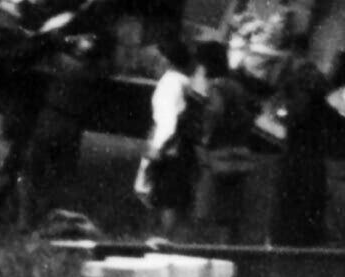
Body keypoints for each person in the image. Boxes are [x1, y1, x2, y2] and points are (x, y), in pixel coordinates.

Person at [18, 31, 112, 229]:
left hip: (51, 119)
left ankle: (26, 221)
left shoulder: (64, 63)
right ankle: (51, 218)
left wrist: (67, 39)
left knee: (33, 171)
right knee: (60, 175)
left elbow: (47, 44)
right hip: (73, 126)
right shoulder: (96, 72)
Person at [192, 39, 259, 244]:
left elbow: (216, 113)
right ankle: (229, 250)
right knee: (231, 210)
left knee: (209, 207)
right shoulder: (236, 86)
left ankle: (207, 250)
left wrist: (205, 138)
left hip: (218, 153)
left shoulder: (216, 86)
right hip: (238, 151)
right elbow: (251, 112)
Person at [270, 28, 332, 247]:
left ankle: (289, 243)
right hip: (316, 150)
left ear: (292, 51)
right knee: (310, 203)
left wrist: (279, 114)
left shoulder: (299, 78)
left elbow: (296, 112)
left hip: (297, 150)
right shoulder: (320, 77)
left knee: (292, 200)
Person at [138, 38, 196, 237]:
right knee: (170, 195)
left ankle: (160, 238)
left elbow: (167, 121)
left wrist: (156, 146)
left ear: (166, 59)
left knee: (163, 196)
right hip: (180, 146)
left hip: (168, 147)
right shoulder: (182, 80)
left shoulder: (169, 83)